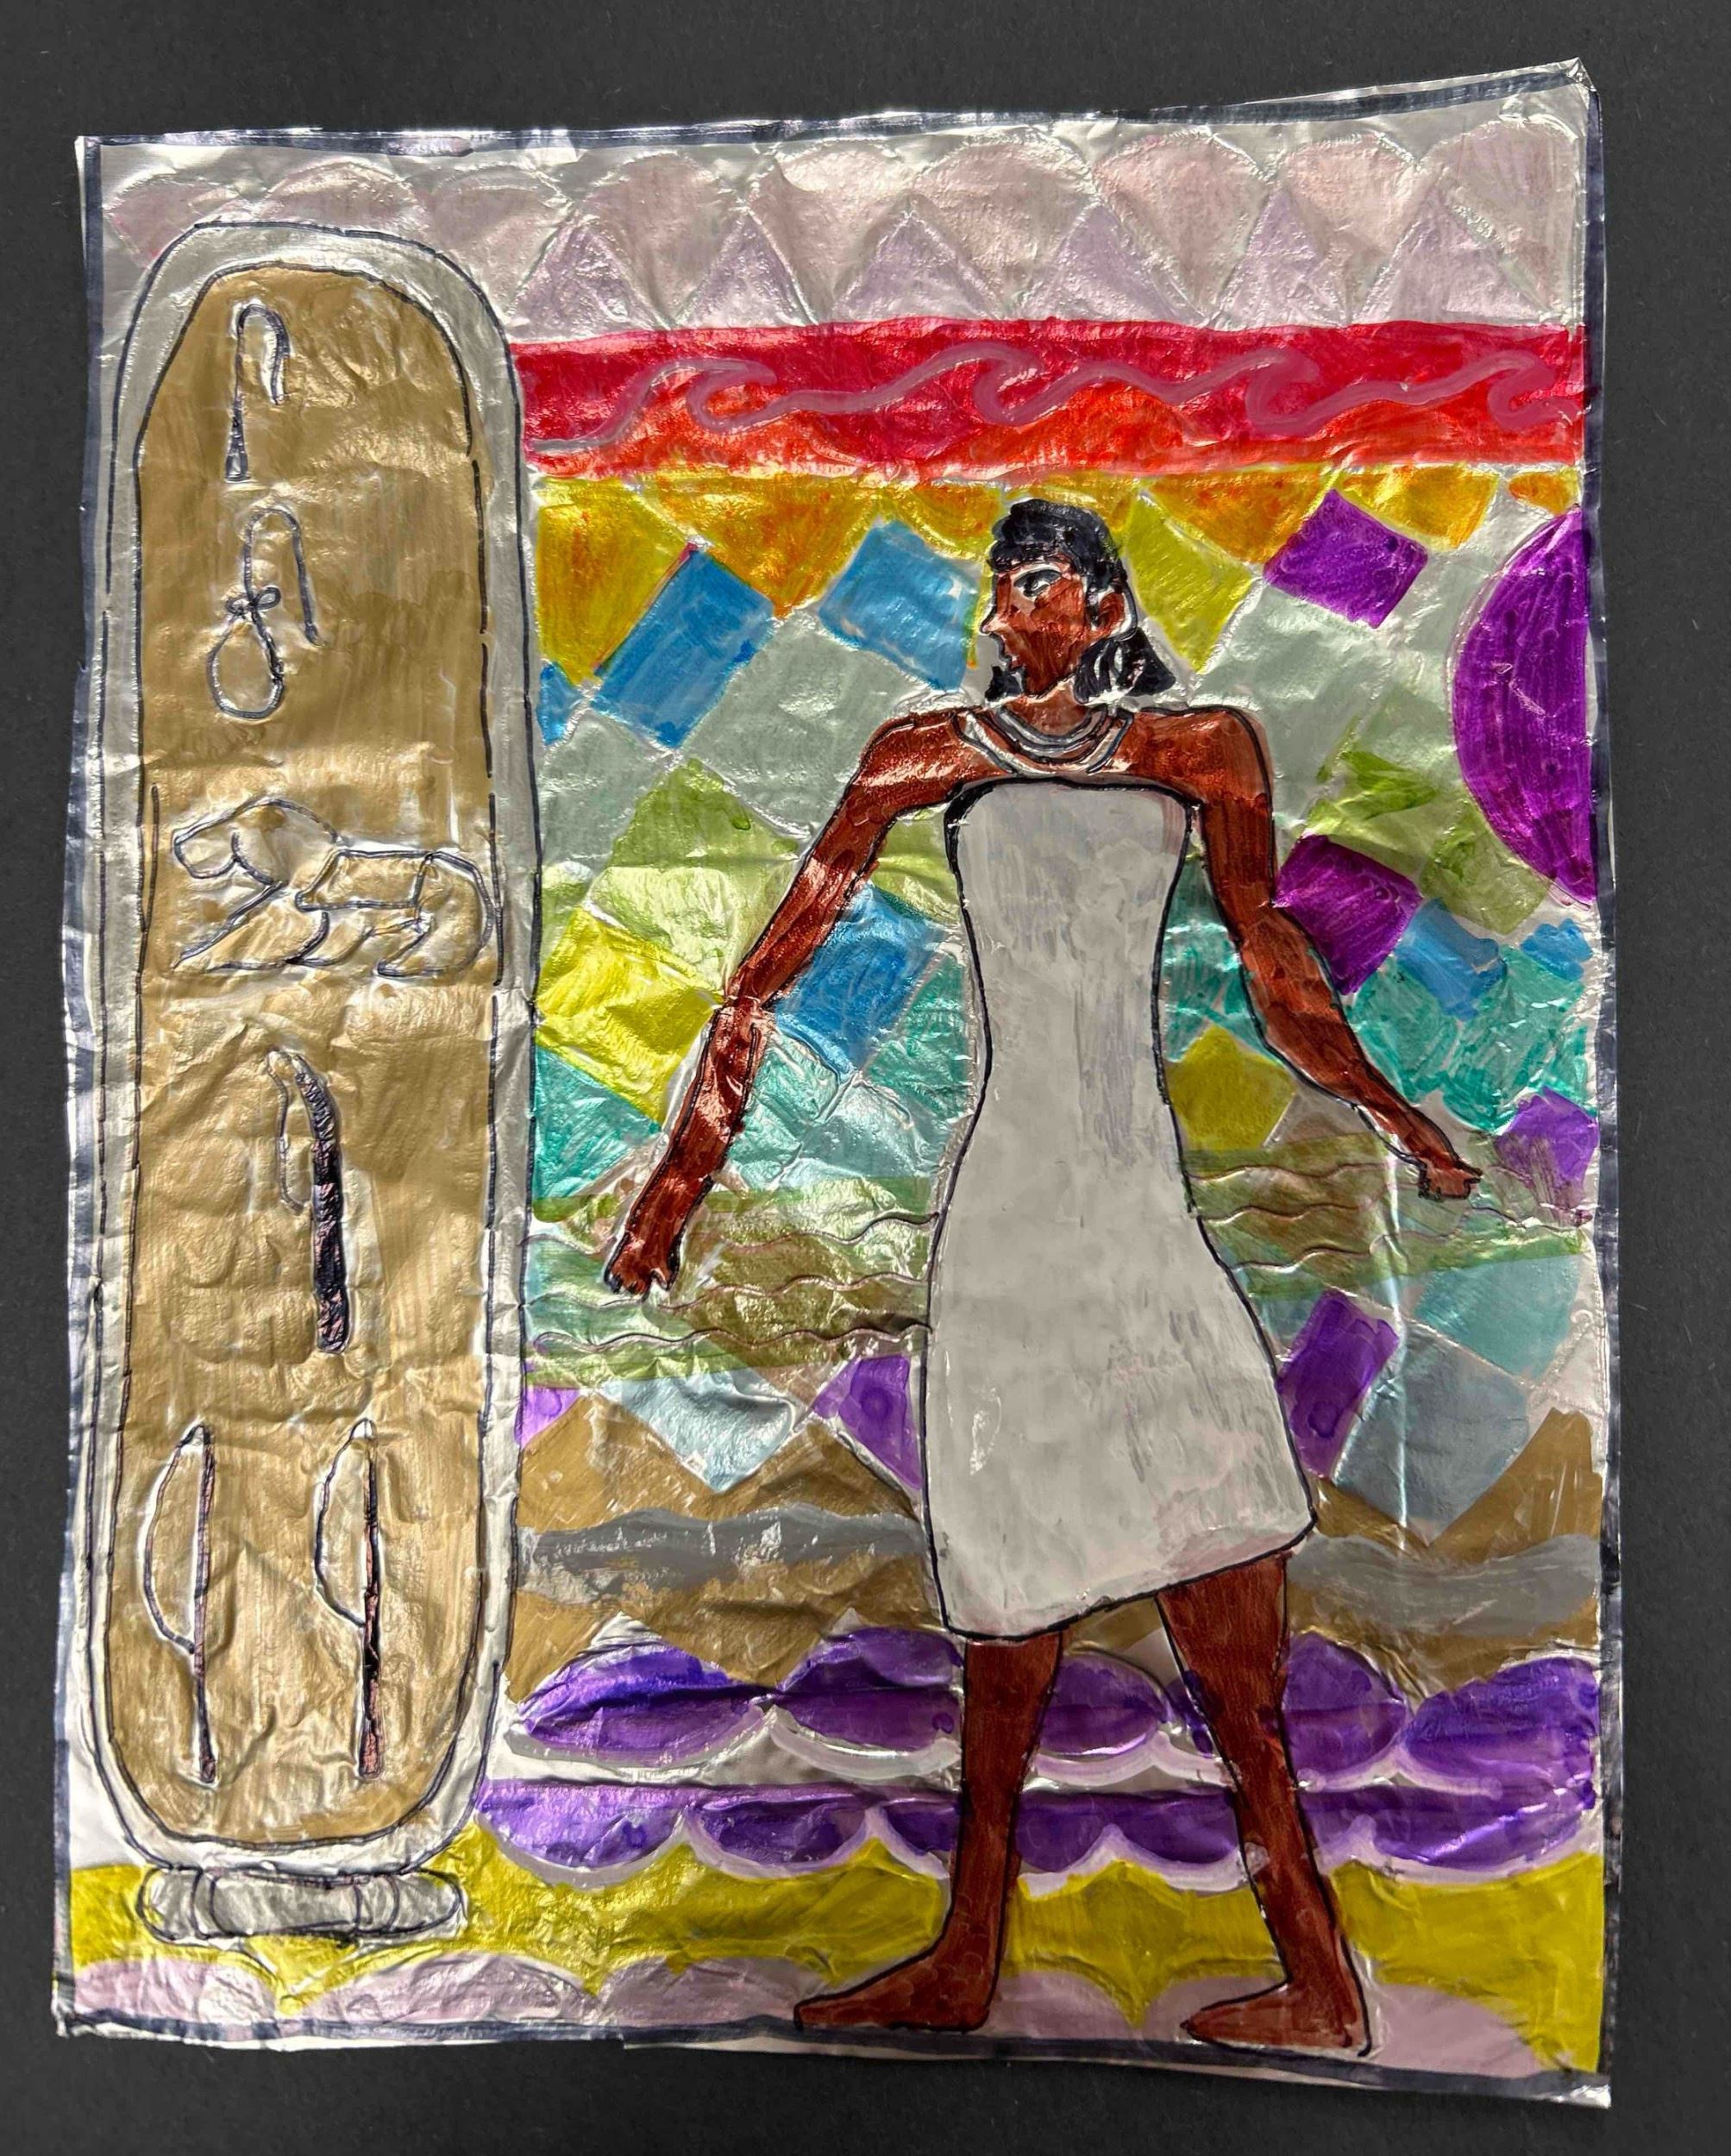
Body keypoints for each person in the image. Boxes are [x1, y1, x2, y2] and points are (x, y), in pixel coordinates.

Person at [605, 498, 1478, 2053]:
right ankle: (966, 1959)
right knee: (1006, 1615)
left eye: (1054, 583)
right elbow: (771, 969)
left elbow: (1273, 961)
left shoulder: (1202, 748)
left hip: (1138, 1211)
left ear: (1110, 606)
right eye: (1009, 586)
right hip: (1007, 1215)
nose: (1025, 608)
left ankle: (1323, 1976)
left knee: (1230, 1577)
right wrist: (680, 1179)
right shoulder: (921, 755)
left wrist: (1397, 1114)